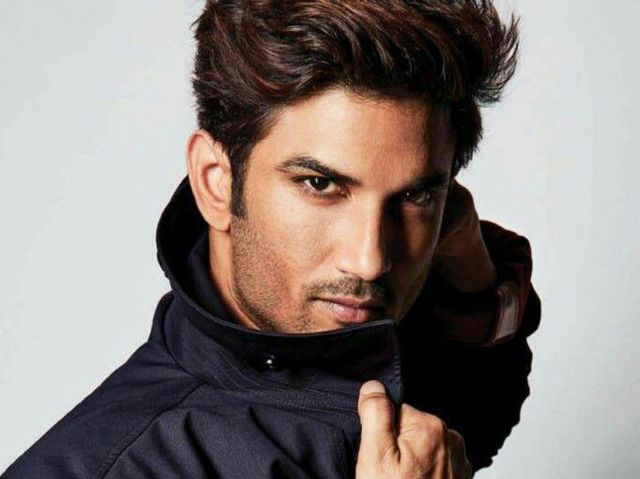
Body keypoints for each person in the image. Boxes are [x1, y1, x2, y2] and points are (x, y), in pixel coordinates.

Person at [2, 0, 541, 477]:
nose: (370, 260)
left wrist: (471, 272)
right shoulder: (117, 465)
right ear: (216, 182)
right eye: (320, 185)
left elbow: (475, 410)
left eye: (413, 195)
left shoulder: (360, 339)